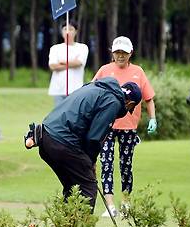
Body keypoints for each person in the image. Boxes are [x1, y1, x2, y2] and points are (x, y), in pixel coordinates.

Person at [35, 77, 142, 211]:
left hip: (46, 137)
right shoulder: (113, 102)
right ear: (130, 103)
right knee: (88, 188)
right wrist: (89, 162)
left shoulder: (95, 87)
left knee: (72, 187)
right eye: (130, 108)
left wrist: (87, 162)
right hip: (62, 141)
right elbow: (93, 138)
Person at [93, 36, 157, 218]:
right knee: (106, 163)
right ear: (112, 53)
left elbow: (149, 98)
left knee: (126, 165)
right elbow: (92, 91)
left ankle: (126, 202)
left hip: (129, 126)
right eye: (117, 52)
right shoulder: (105, 70)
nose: (120, 56)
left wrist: (153, 118)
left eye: (124, 53)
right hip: (106, 124)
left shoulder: (138, 71)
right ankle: (110, 204)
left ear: (130, 53)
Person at [47, 19, 89, 106]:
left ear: (76, 31)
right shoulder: (55, 48)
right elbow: (53, 66)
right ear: (61, 31)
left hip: (76, 88)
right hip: (58, 89)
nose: (68, 32)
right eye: (65, 29)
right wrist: (71, 64)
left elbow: (79, 63)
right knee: (59, 115)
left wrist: (62, 62)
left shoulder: (82, 47)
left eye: (71, 29)